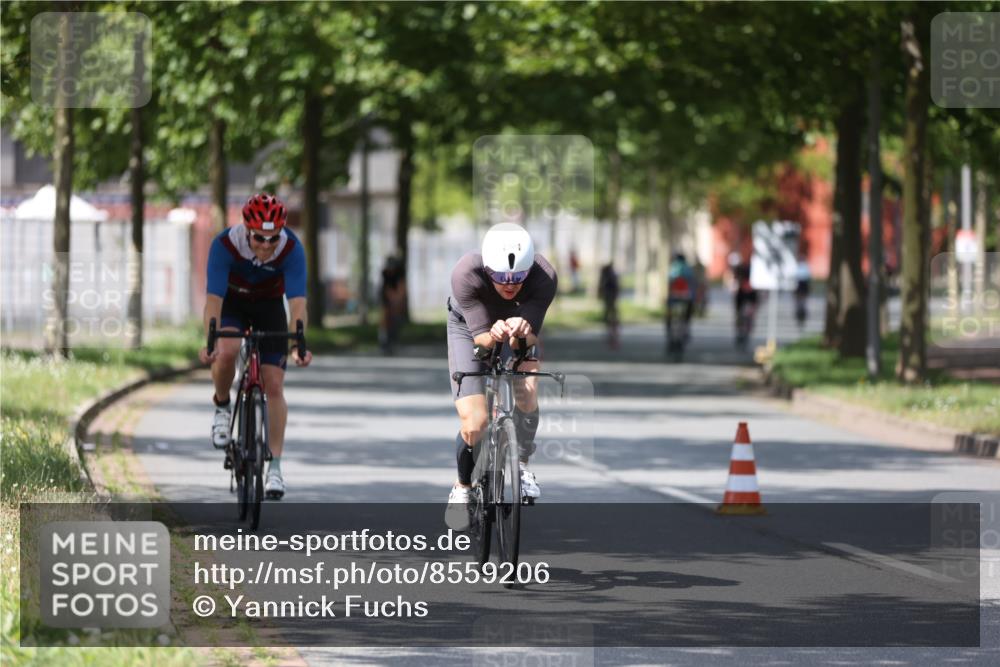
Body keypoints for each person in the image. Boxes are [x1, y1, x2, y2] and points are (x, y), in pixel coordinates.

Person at [198, 193, 313, 500]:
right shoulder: (225, 246)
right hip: (233, 304)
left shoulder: (291, 249)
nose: (265, 245)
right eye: (258, 238)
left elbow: (298, 303)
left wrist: (297, 344)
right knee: (228, 350)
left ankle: (274, 467)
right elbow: (213, 301)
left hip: (268, 308)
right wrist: (210, 340)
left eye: (272, 239)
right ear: (246, 230)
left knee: (274, 385)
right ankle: (222, 406)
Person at [444, 223, 558, 531]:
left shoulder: (544, 276)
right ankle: (463, 486)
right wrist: (489, 335)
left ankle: (521, 466)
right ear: (487, 268)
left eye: (517, 279)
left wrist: (521, 333)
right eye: (501, 279)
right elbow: (482, 342)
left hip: (518, 328)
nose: (509, 285)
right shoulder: (465, 273)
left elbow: (525, 343)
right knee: (475, 423)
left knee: (527, 392)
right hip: (469, 329)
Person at [379, 255, 407, 355]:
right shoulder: (384, 273)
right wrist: (392, 299)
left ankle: (394, 340)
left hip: (397, 296)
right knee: (385, 318)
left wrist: (398, 300)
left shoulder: (399, 273)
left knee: (396, 318)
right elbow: (386, 289)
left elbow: (401, 287)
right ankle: (383, 340)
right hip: (386, 297)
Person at [598, 262, 620, 349]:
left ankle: (612, 332)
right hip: (610, 298)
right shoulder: (611, 275)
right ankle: (612, 332)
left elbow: (604, 287)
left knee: (611, 315)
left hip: (610, 298)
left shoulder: (607, 276)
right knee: (611, 314)